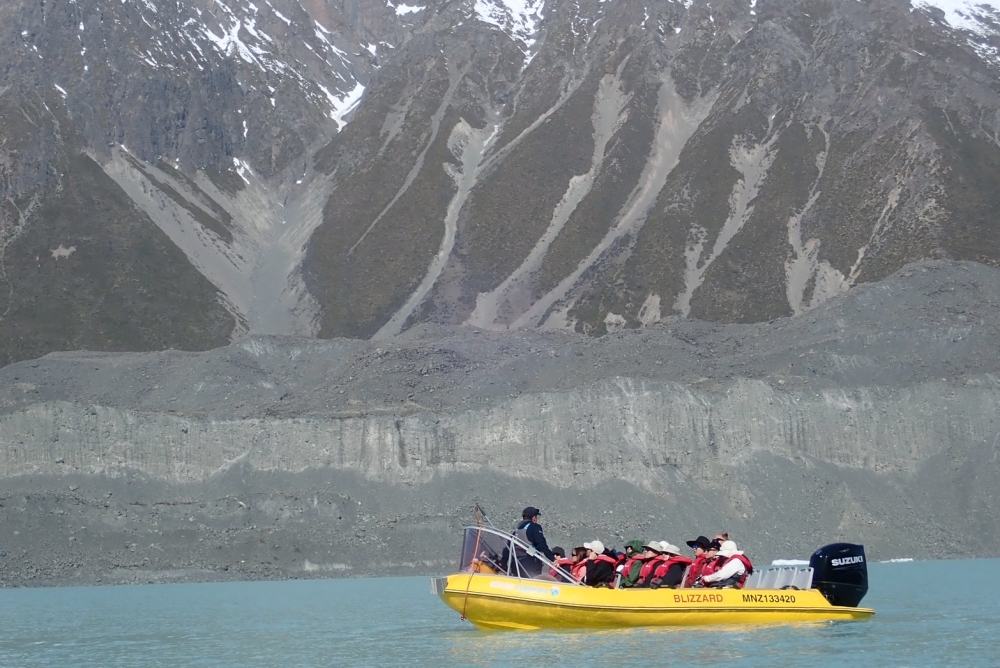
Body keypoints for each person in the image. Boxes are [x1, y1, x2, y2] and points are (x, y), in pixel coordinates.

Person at [511, 506, 554, 576]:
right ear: (534, 518)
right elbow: (541, 544)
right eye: (536, 517)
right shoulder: (534, 527)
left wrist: (503, 562)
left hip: (515, 563)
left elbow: (508, 547)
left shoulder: (517, 530)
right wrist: (552, 559)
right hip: (529, 564)